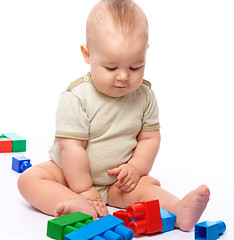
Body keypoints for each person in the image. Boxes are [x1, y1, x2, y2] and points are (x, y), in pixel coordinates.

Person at [17, 0, 210, 231]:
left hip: (117, 183)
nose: (123, 77)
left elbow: (149, 139)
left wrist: (136, 169)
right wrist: (83, 189)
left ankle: (179, 210)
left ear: (145, 53)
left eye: (135, 67)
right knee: (30, 179)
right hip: (68, 176)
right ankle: (77, 204)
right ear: (87, 54)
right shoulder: (77, 97)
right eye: (111, 68)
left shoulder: (145, 96)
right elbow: (71, 148)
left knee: (146, 186)